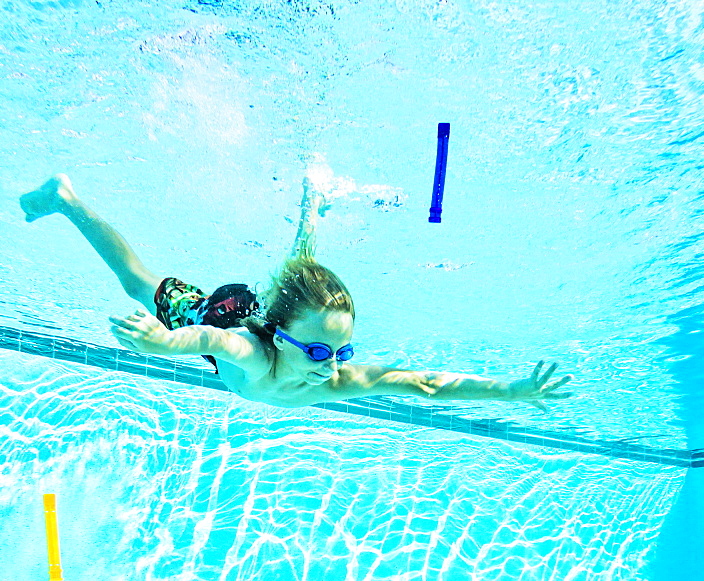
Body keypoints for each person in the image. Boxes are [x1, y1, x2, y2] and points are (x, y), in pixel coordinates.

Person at [20, 173, 572, 411]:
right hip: (222, 314)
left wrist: (512, 392)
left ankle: (310, 210)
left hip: (270, 317)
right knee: (138, 283)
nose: (330, 367)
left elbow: (425, 385)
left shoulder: (335, 378)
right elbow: (212, 338)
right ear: (280, 341)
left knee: (300, 272)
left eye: (342, 351)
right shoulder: (256, 354)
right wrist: (164, 345)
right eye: (316, 352)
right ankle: (67, 199)